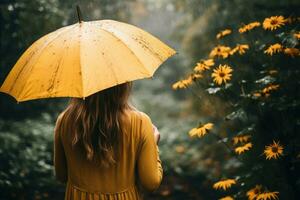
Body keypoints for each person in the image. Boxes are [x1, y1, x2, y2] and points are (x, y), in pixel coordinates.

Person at [53, 82, 162, 200]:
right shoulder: (140, 122)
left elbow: (61, 175)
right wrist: (154, 145)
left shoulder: (64, 120)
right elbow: (151, 183)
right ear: (122, 85)